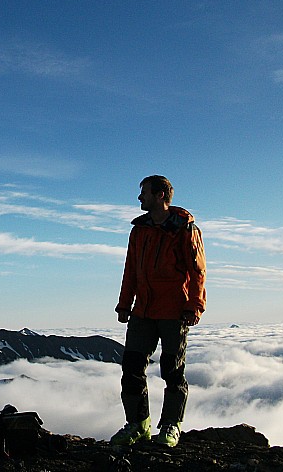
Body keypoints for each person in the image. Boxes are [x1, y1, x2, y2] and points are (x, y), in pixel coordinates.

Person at [110, 175, 206, 448]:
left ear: (160, 195)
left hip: (174, 310)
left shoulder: (185, 229)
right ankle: (138, 424)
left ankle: (171, 426)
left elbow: (198, 272)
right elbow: (130, 270)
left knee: (172, 371)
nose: (140, 199)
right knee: (131, 367)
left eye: (144, 194)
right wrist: (124, 304)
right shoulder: (139, 231)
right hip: (143, 310)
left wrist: (194, 306)